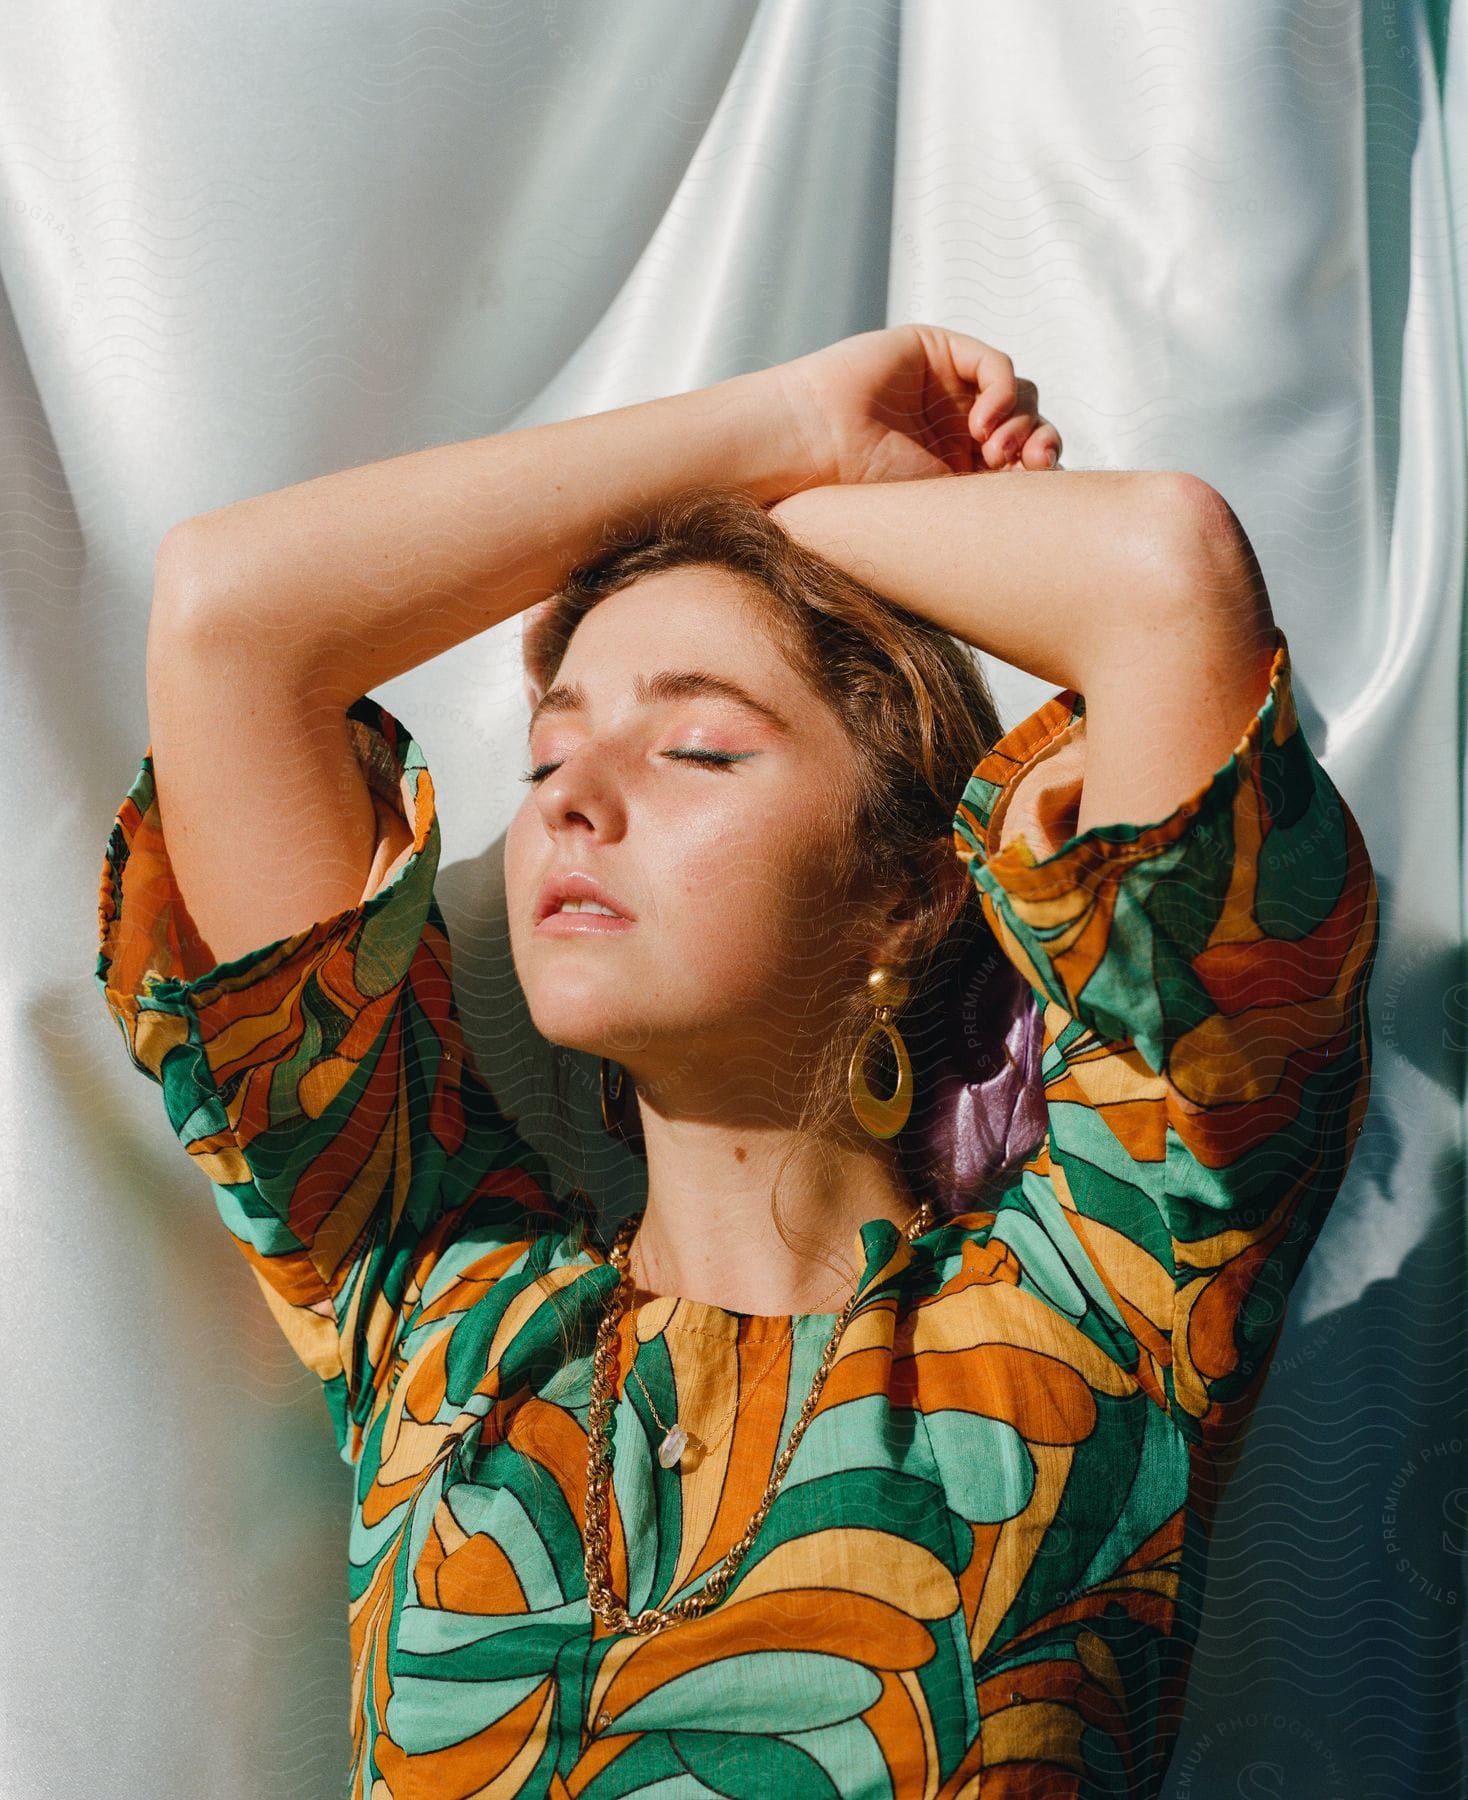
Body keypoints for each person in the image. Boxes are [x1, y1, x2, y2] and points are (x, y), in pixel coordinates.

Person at [95, 326, 1379, 1798]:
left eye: (698, 747)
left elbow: (1161, 576)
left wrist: (792, 496)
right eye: (546, 753)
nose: (572, 796)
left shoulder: (1110, 1309)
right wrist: (784, 422)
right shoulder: (438, 1302)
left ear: (910, 884)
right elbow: (229, 622)